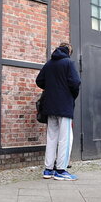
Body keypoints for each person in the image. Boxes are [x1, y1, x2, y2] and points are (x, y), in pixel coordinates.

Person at [37, 43, 81, 180]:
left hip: (50, 106)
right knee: (65, 138)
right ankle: (61, 170)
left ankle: (48, 169)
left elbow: (39, 81)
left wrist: (51, 88)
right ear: (69, 51)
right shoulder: (68, 63)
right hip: (64, 106)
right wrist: (71, 95)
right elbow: (76, 82)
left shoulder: (49, 64)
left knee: (51, 138)